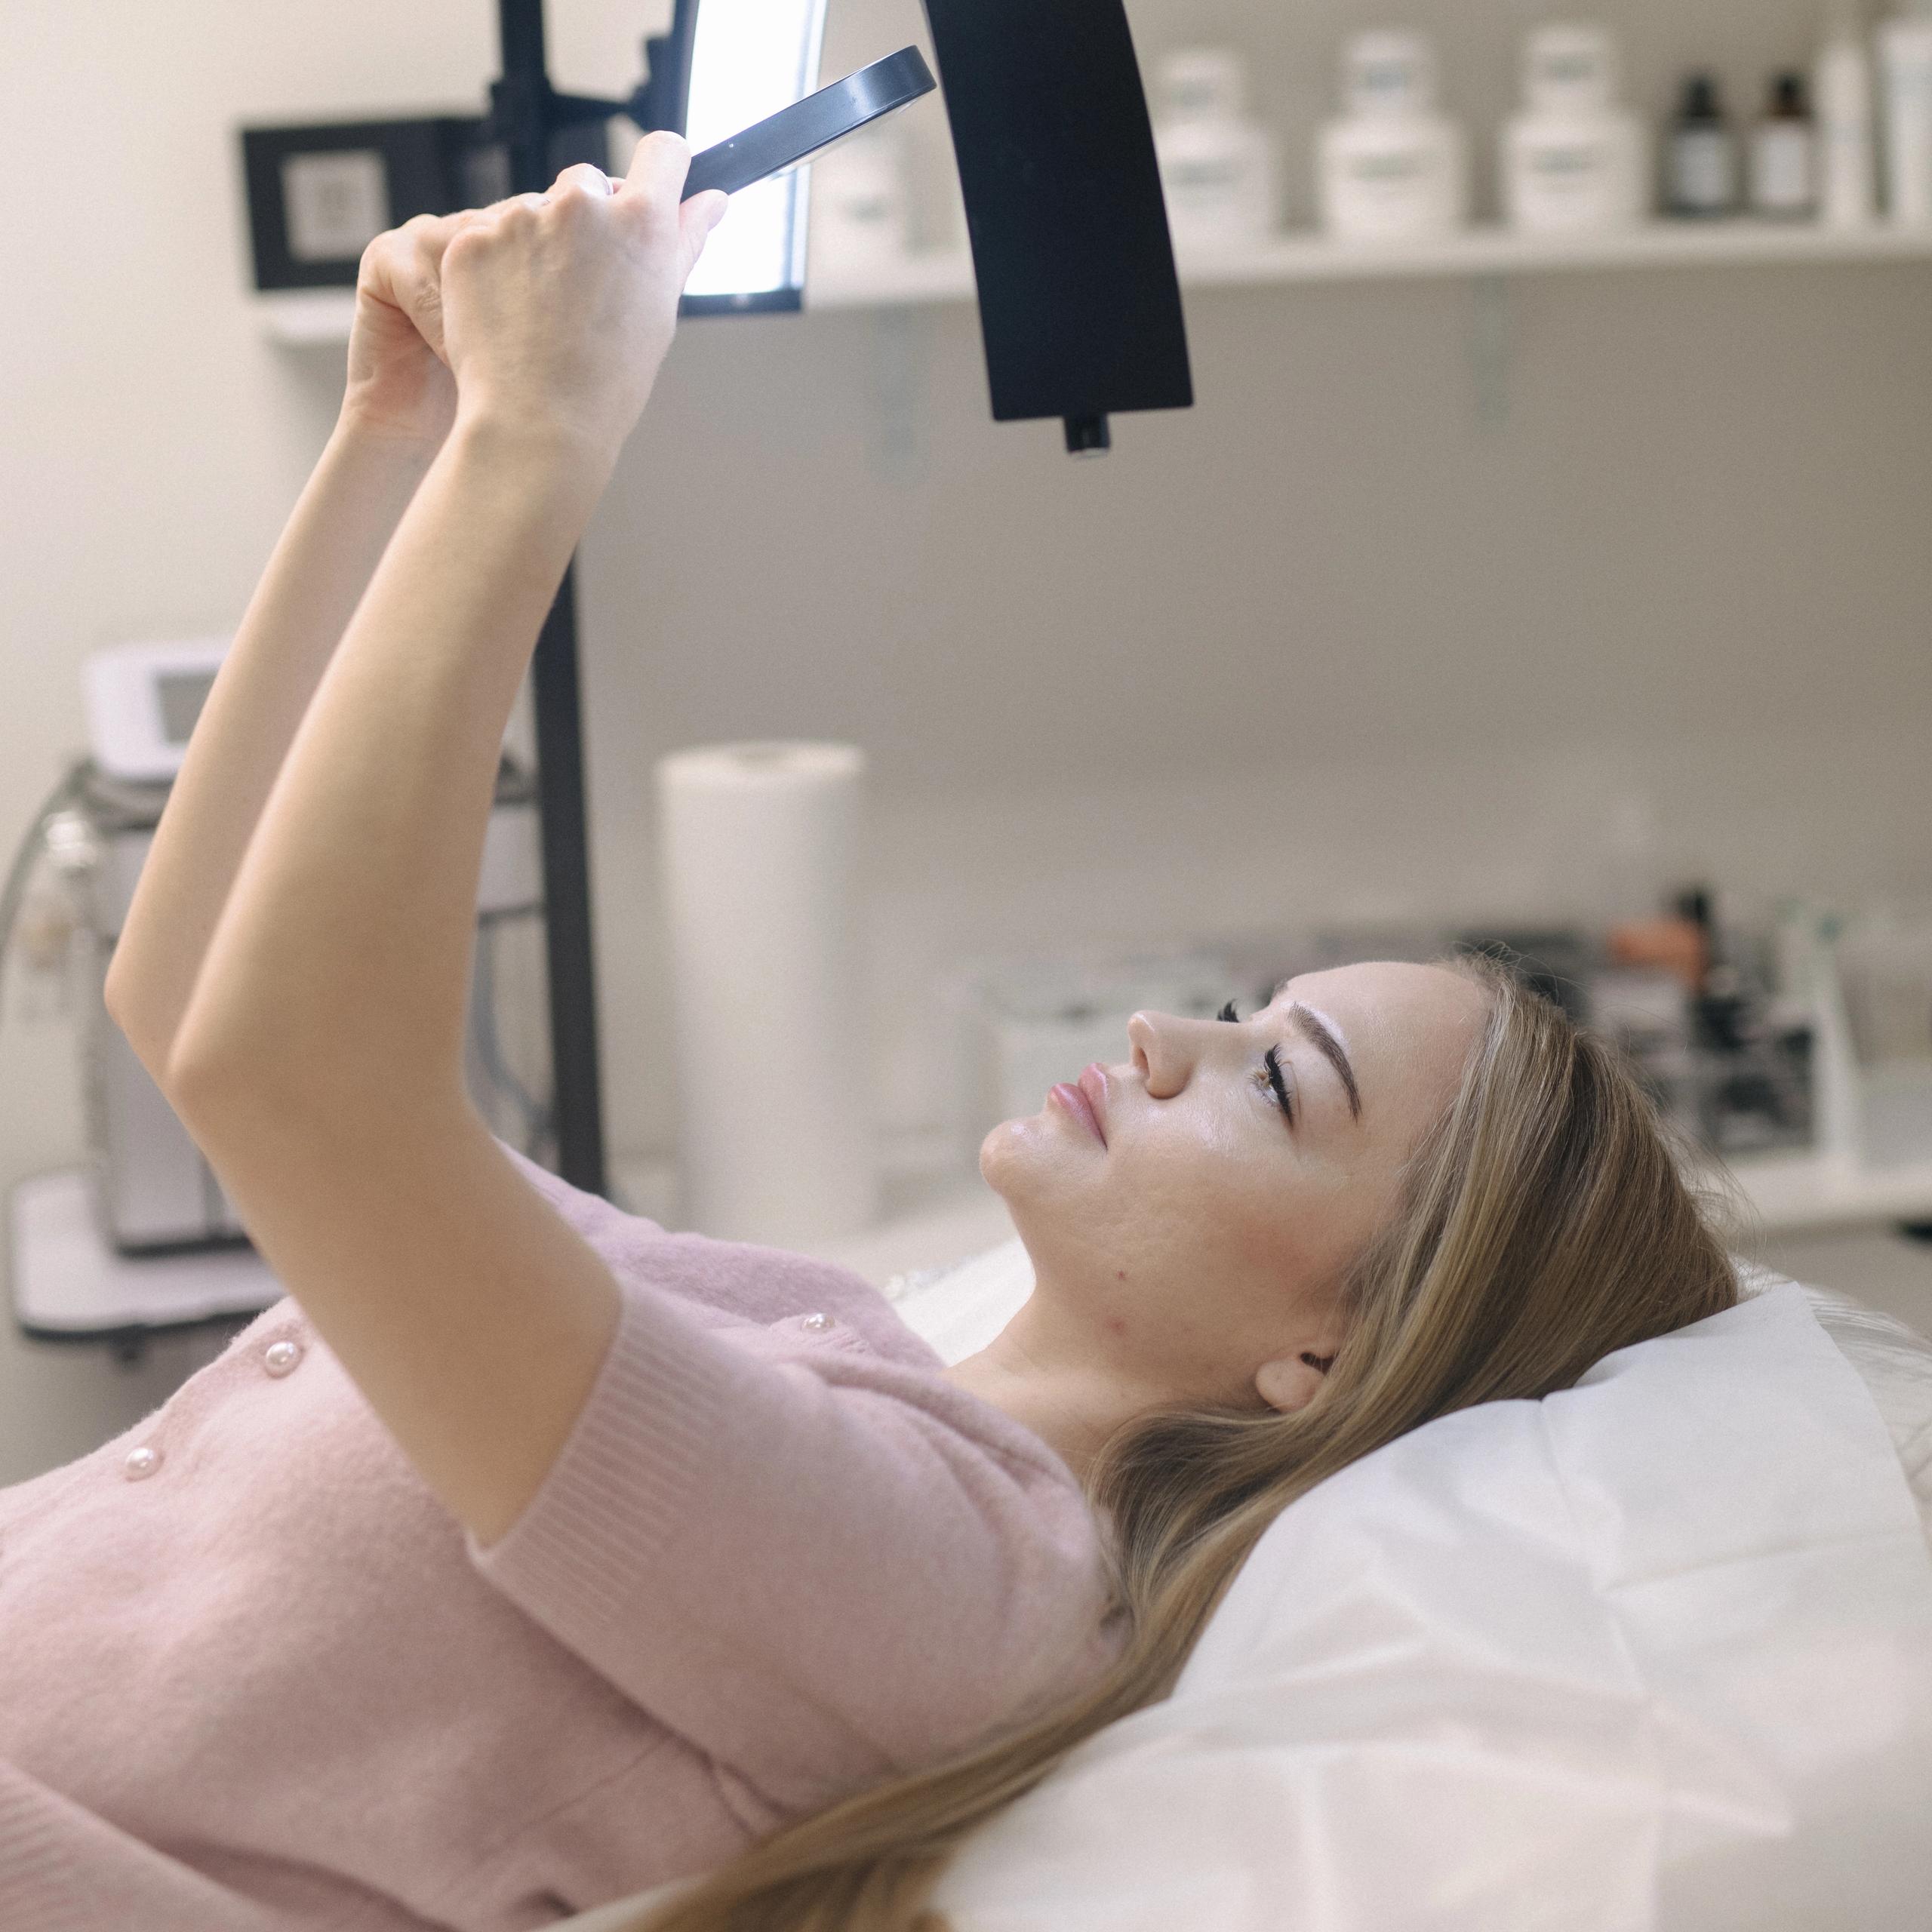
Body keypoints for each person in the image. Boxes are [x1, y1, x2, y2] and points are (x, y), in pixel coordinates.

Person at [0, 135, 1737, 1932]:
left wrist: (546, 436)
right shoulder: (805, 1327)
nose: (1160, 1037)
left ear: (1321, 1354)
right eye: (1240, 1017)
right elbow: (193, 999)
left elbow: (295, 1082)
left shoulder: (963, 1591)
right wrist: (399, 431)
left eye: (1278, 1082)